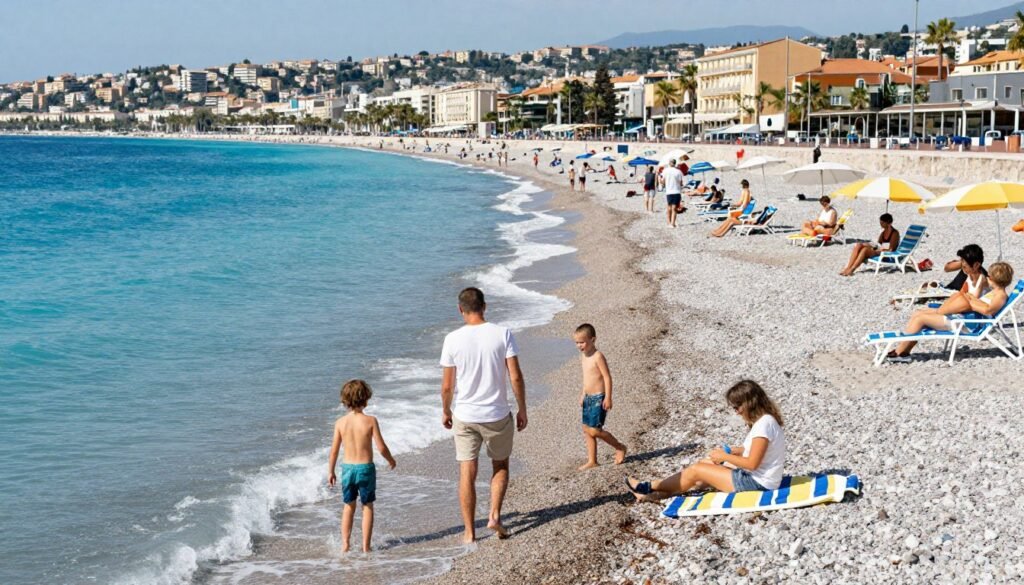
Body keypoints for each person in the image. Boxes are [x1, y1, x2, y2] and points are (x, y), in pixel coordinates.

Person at [440, 287, 527, 543]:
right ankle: (495, 515)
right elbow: (516, 376)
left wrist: (446, 410)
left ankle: (469, 532)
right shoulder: (503, 334)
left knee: (467, 471)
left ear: (460, 309)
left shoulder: (452, 339)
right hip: (497, 414)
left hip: (465, 415)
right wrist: (522, 408)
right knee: (500, 465)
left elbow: (447, 386)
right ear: (484, 306)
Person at [626, 380, 785, 501]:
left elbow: (752, 463)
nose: (736, 412)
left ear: (750, 403)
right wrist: (730, 452)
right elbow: (754, 450)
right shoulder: (766, 421)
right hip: (760, 479)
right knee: (707, 463)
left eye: (737, 407)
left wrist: (724, 457)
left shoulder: (763, 425)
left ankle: (647, 487)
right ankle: (658, 493)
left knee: (697, 469)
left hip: (758, 484)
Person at [886, 262, 1014, 363]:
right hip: (965, 320)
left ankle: (899, 352)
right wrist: (971, 299)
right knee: (918, 313)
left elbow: (988, 310)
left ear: (991, 278)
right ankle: (905, 351)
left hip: (968, 324)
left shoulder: (1000, 295)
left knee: (921, 319)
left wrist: (971, 303)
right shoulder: (996, 293)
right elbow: (986, 307)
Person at [328, 379, 397, 553]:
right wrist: (390, 460)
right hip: (366, 468)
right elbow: (381, 447)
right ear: (366, 398)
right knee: (367, 506)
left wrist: (331, 471)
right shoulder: (370, 421)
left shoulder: (340, 423)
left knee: (348, 506)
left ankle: (345, 544)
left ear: (345, 400)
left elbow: (334, 452)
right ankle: (366, 547)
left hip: (347, 469)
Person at [573, 324, 627, 470]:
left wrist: (608, 397)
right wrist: (583, 393)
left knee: (595, 430)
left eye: (582, 342)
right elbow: (586, 377)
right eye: (577, 342)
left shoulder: (598, 356)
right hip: (588, 397)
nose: (579, 345)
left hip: (599, 397)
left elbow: (607, 377)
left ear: (593, 339)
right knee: (586, 429)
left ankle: (619, 447)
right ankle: (592, 460)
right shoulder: (583, 356)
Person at [662, 159, 685, 228]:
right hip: (676, 191)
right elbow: (681, 183)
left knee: (669, 207)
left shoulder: (665, 171)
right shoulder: (678, 172)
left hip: (668, 191)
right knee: (674, 208)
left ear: (669, 163)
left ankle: (669, 222)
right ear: (675, 163)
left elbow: (663, 182)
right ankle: (672, 223)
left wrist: (663, 183)